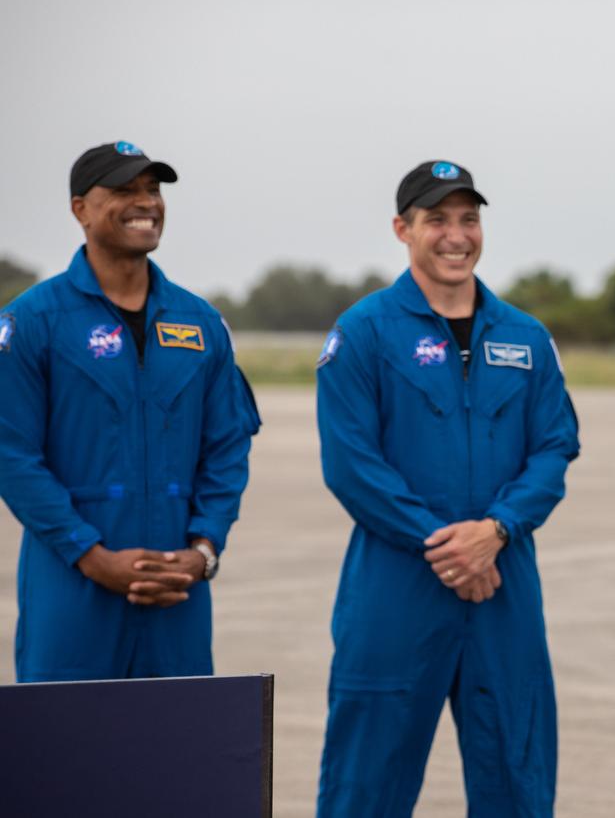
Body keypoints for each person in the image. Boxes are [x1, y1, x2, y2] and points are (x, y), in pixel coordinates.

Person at [315, 160, 579, 817]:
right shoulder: (364, 332)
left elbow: (554, 447)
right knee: (364, 783)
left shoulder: (525, 336)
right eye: (438, 219)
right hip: (396, 582)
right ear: (403, 229)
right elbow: (351, 463)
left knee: (517, 776)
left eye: (469, 218)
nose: (456, 235)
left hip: (503, 580)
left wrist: (495, 531)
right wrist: (443, 544)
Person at [0, 140, 260, 682]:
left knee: (178, 754)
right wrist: (92, 556)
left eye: (153, 190)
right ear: (81, 209)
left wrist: (204, 550)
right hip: (72, 587)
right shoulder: (33, 322)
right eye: (124, 190)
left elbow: (227, 447)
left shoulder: (201, 324)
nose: (146, 203)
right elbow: (12, 455)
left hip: (177, 589)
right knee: (66, 755)